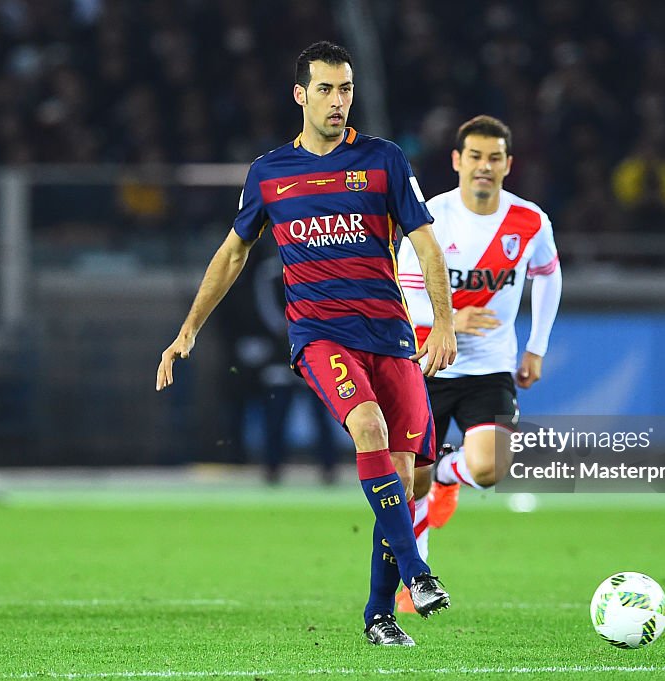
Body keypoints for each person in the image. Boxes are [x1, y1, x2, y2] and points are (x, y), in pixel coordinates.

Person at [156, 41, 456, 646]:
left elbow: (425, 243)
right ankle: (417, 573)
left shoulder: (385, 161)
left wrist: (443, 323)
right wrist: (189, 328)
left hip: (391, 335)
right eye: (325, 89)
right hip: (320, 336)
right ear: (300, 95)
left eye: (346, 89)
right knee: (368, 428)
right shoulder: (270, 173)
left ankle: (379, 616)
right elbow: (233, 252)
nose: (338, 101)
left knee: (410, 478)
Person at [394, 115, 562, 612]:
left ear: (508, 165)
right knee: (411, 482)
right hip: (428, 362)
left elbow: (549, 276)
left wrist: (537, 347)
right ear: (457, 162)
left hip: (490, 369)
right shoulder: (430, 218)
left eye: (493, 158)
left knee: (491, 467)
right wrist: (451, 316)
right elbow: (403, 291)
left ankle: (451, 475)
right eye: (475, 157)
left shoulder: (529, 221)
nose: (483, 167)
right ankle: (414, 579)